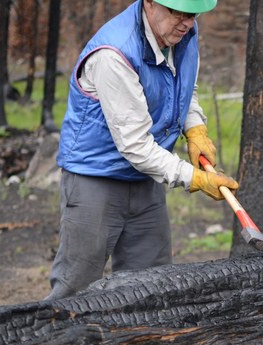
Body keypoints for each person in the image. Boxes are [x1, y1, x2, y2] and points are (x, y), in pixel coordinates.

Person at [46, 0, 239, 300]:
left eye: (192, 14)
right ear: (149, 2)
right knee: (76, 289)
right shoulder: (115, 53)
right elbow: (135, 145)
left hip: (145, 179)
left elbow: (184, 88)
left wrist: (194, 128)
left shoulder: (183, 33)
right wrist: (195, 179)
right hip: (95, 179)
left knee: (152, 287)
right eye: (178, 12)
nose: (186, 22)